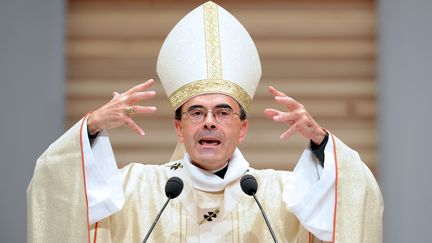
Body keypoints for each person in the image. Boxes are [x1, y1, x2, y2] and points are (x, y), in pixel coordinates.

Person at [27, 2, 383, 242]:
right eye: (196, 112)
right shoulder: (135, 189)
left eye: (223, 112)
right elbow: (59, 190)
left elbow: (353, 196)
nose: (209, 122)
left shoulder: (279, 196)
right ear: (178, 128)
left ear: (242, 128)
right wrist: (91, 128)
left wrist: (321, 142)